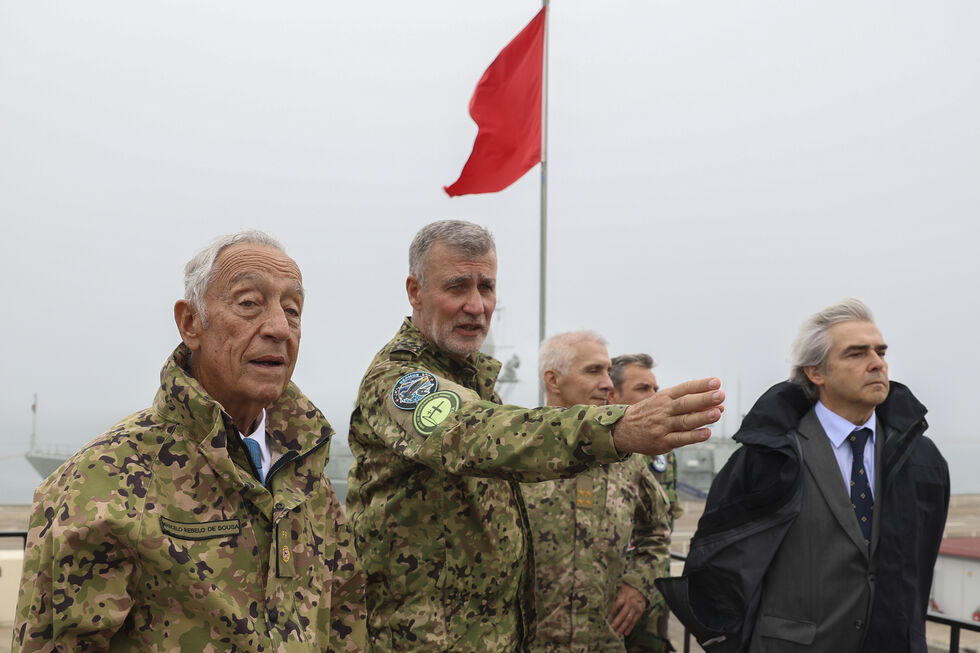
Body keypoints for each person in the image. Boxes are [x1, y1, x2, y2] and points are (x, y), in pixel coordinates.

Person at [346, 219, 725, 652]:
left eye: (486, 287)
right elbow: (476, 434)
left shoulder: (470, 381)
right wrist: (619, 428)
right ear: (415, 291)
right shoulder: (401, 380)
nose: (476, 305)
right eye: (457, 288)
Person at [13, 231, 365, 652]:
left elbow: (345, 620)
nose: (278, 327)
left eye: (293, 310)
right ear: (190, 322)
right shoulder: (103, 480)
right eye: (249, 303)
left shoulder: (308, 483)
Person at [659, 299, 949, 652]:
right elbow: (717, 565)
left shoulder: (922, 460)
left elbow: (919, 566)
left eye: (881, 352)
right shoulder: (767, 457)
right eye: (857, 354)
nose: (877, 363)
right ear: (816, 372)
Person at [521, 332, 670, 652]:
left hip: (604, 641)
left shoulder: (625, 457)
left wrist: (638, 585)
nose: (607, 384)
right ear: (553, 380)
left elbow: (657, 529)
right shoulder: (517, 451)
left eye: (607, 371)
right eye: (593, 371)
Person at [609, 353, 682, 653]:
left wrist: (643, 585)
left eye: (655, 388)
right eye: (643, 388)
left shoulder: (663, 450)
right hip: (604, 601)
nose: (655, 396)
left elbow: (663, 523)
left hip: (650, 598)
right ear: (613, 392)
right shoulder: (592, 447)